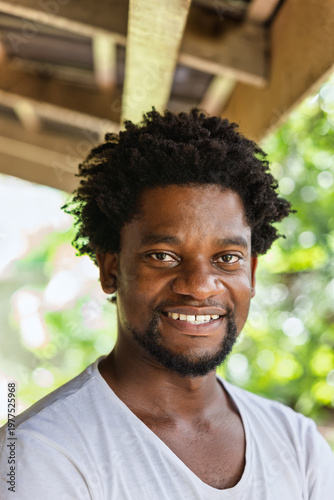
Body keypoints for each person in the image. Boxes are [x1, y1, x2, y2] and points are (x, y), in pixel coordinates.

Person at [1, 109, 333, 499]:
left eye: (227, 258)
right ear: (111, 268)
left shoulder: (297, 443)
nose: (199, 286)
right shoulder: (42, 453)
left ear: (252, 274)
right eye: (163, 255)